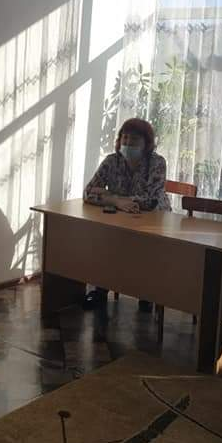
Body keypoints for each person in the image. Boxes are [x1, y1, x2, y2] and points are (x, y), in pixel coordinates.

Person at [82, 117, 171, 310]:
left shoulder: (156, 163)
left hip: (153, 220)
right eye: (125, 138)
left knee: (143, 249)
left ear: (147, 143)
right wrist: (116, 201)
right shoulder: (111, 161)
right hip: (120, 218)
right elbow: (88, 192)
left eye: (135, 139)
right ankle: (101, 289)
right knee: (106, 241)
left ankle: (146, 293)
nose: (128, 143)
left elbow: (150, 200)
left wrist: (109, 196)